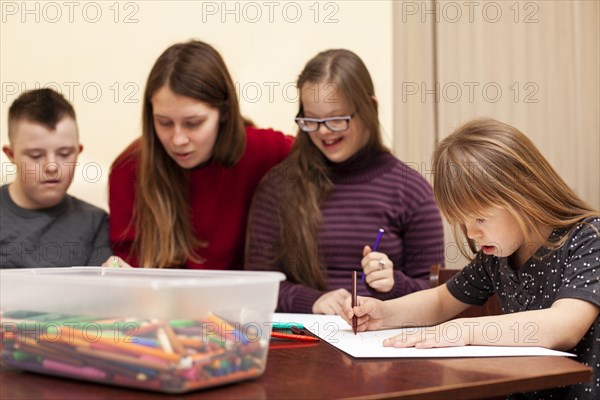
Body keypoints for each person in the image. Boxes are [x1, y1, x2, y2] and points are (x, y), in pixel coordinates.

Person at [341, 118, 599, 399]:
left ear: (524, 196)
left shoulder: (588, 237)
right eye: (463, 222)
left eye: (480, 218)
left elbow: (565, 325)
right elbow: (440, 301)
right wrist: (384, 315)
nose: (472, 233)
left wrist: (465, 329)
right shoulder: (497, 254)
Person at [245, 49, 444, 314]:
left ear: (369, 109)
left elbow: (436, 299)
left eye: (337, 119)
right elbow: (257, 288)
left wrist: (395, 285)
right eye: (312, 120)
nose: (324, 131)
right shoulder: (279, 186)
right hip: (302, 343)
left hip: (380, 343)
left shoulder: (411, 190)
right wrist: (312, 301)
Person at [108, 40, 292, 269]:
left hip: (244, 301)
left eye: (193, 123)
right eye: (164, 122)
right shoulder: (128, 169)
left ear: (224, 112)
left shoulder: (263, 150)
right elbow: (129, 267)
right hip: (163, 303)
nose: (178, 140)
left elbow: (326, 159)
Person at [1, 88, 113, 268]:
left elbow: (104, 284)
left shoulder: (95, 222)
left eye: (64, 153)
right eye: (36, 155)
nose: (52, 167)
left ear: (78, 151)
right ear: (11, 155)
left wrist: (116, 269)